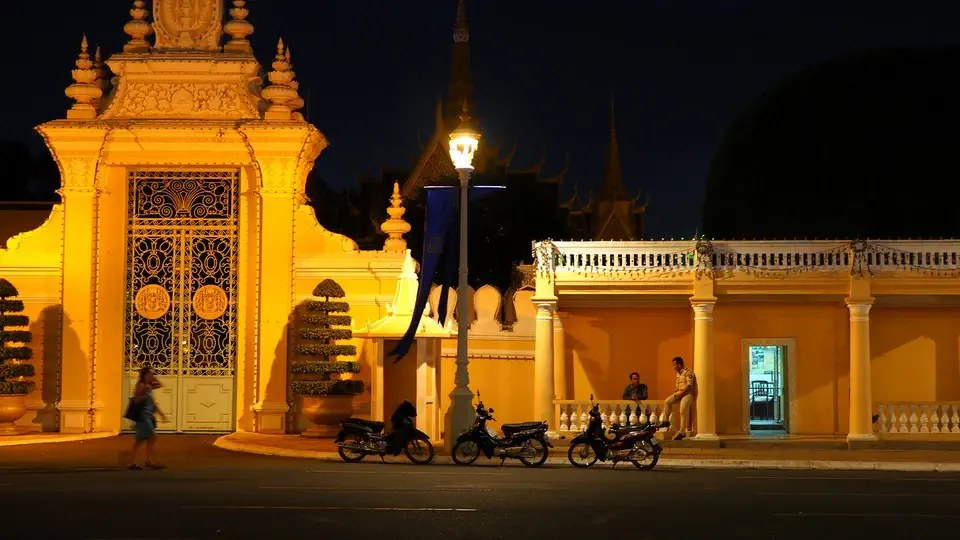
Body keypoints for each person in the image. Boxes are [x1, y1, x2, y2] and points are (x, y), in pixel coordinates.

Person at [128, 366, 167, 470]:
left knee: (141, 439)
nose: (151, 376)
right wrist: (143, 392)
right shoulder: (140, 385)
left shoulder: (149, 386)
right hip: (142, 416)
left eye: (152, 374)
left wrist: (161, 414)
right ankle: (141, 461)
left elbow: (160, 385)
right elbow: (136, 400)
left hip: (149, 416)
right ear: (144, 375)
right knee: (150, 437)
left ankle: (143, 461)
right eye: (149, 374)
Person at [661, 356, 696, 440]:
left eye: (674, 365)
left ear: (680, 365)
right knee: (667, 401)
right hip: (679, 393)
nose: (673, 367)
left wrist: (681, 394)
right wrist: (676, 391)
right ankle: (665, 421)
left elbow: (689, 386)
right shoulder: (678, 374)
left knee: (682, 410)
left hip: (687, 394)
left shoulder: (688, 373)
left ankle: (682, 432)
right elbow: (678, 385)